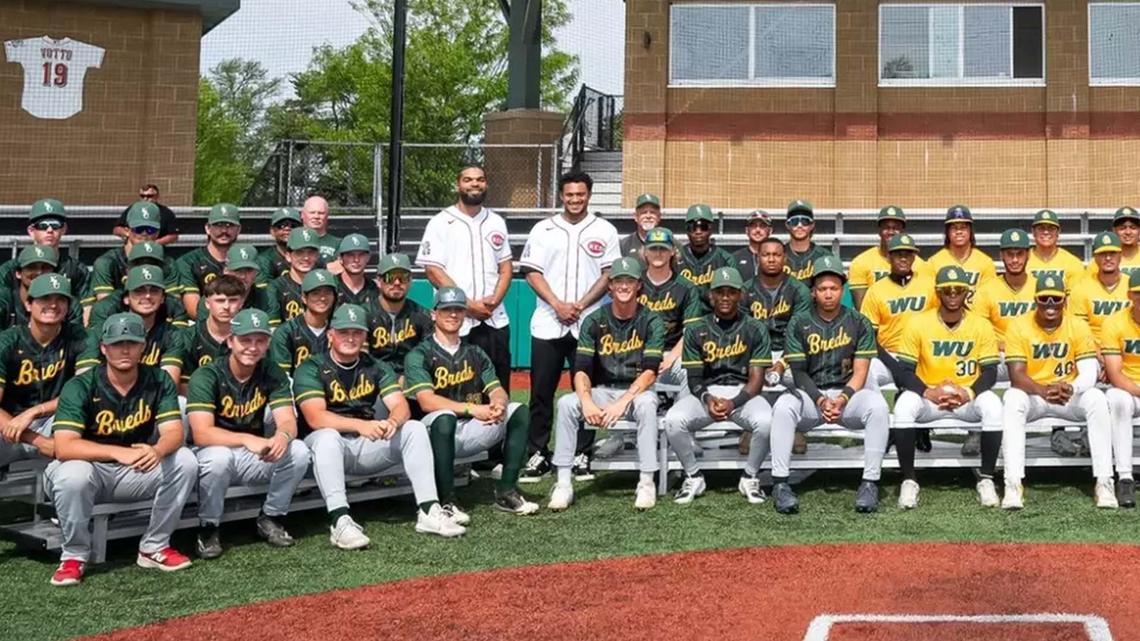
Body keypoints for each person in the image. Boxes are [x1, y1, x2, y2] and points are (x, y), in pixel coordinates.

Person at [46, 312, 196, 586]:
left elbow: (175, 432)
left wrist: (158, 450)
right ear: (103, 348)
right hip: (88, 468)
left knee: (185, 460)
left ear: (143, 346)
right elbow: (64, 447)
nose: (124, 349)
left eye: (131, 342)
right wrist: (117, 453)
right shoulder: (80, 385)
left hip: (134, 469)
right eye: (117, 343)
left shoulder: (159, 380)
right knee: (74, 474)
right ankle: (74, 556)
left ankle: (154, 546)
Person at [295, 304, 463, 548]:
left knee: (413, 428)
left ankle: (429, 509)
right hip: (321, 452)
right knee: (328, 437)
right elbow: (315, 418)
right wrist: (361, 426)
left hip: (364, 445)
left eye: (357, 332)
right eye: (343, 332)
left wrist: (393, 421)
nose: (351, 338)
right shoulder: (311, 366)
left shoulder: (375, 365)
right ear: (331, 335)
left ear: (365, 336)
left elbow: (400, 406)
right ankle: (340, 520)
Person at [518, 171, 620, 483]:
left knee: (587, 391)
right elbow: (531, 272)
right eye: (569, 195)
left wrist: (580, 305)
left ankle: (582, 453)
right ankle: (538, 452)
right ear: (561, 195)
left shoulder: (604, 229)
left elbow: (609, 274)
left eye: (580, 194)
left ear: (589, 195)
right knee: (540, 392)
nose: (575, 200)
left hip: (588, 323)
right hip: (549, 322)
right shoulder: (543, 229)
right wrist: (558, 305)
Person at [404, 287, 539, 521]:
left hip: (472, 426)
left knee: (517, 411)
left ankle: (506, 490)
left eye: (458, 309)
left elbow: (496, 387)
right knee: (444, 417)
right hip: (433, 432)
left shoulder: (475, 351)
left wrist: (498, 403)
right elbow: (426, 401)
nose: (453, 315)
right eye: (446, 309)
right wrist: (473, 409)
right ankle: (447, 501)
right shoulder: (419, 354)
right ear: (434, 314)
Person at [770, 254, 889, 514]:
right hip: (812, 396)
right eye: (822, 288)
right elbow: (799, 373)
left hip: (848, 398)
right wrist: (820, 399)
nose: (828, 294)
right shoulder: (799, 322)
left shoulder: (859, 322)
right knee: (782, 407)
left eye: (834, 288)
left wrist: (843, 398)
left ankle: (870, 482)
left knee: (878, 407)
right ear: (813, 292)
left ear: (842, 290)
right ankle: (780, 483)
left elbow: (861, 371)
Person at [188, 309, 310, 558]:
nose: (252, 347)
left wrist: (282, 436)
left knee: (297, 450)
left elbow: (287, 420)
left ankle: (271, 516)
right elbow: (201, 434)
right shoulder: (208, 374)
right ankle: (208, 527)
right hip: (209, 453)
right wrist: (246, 439)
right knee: (219, 457)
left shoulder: (271, 371)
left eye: (260, 340)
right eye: (245, 340)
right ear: (231, 341)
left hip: (251, 454)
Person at [550, 258, 664, 511]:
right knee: (567, 403)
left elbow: (650, 371)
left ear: (638, 286)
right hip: (603, 390)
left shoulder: (651, 320)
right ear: (610, 286)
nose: (624, 286)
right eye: (618, 281)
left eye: (629, 281)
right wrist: (588, 401)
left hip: (637, 391)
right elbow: (581, 369)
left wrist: (623, 402)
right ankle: (563, 483)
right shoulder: (594, 320)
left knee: (646, 405)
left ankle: (646, 482)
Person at [892, 266, 1003, 509]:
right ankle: (909, 480)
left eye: (958, 290)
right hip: (930, 394)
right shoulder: (918, 322)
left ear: (967, 293)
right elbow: (904, 371)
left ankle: (986, 478)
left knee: (994, 405)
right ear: (938, 292)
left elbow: (991, 371)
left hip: (966, 395)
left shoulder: (981, 324)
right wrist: (928, 392)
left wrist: (968, 392)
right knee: (903, 406)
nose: (953, 294)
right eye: (947, 290)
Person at [1001, 274, 1115, 510]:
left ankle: (1104, 481)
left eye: (1055, 299)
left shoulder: (1078, 325)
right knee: (1012, 398)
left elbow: (1088, 372)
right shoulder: (1019, 325)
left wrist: (1071, 387)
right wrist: (1042, 390)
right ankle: (1013, 483)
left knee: (1096, 398)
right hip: (1035, 394)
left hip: (1067, 394)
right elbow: (1016, 375)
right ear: (1036, 300)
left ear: (1064, 300)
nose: (1050, 304)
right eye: (1044, 299)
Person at [663, 267, 773, 506]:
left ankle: (750, 476)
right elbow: (693, 378)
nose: (725, 297)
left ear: (740, 295)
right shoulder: (695, 328)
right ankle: (693, 475)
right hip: (707, 394)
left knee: (766, 421)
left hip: (743, 394)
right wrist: (707, 399)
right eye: (720, 292)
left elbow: (756, 381)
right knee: (673, 420)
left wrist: (734, 403)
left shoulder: (755, 327)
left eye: (731, 292)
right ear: (710, 295)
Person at [417, 166, 514, 395]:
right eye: (468, 180)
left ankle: (498, 432)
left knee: (498, 389)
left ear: (486, 184)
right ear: (458, 184)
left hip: (494, 319)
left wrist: (493, 302)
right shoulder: (440, 221)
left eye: (480, 180)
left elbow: (506, 267)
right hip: (456, 320)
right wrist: (468, 306)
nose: (474, 184)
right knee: (456, 388)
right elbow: (432, 270)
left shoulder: (497, 221)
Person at [0, 274, 87, 471]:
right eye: (45, 298)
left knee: (87, 423)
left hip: (54, 422)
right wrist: (36, 440)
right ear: (29, 304)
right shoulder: (6, 342)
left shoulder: (80, 336)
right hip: (8, 426)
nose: (53, 305)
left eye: (60, 299)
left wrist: (34, 412)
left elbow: (83, 392)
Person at [860, 233, 936, 390]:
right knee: (865, 373)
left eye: (908, 254)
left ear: (914, 258)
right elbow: (869, 338)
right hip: (890, 355)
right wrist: (895, 367)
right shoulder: (876, 290)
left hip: (924, 355)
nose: (903, 259)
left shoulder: (930, 286)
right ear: (889, 257)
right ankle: (879, 412)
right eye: (898, 254)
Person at [77, 267, 182, 374]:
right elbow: (86, 381)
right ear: (126, 298)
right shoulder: (102, 331)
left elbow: (168, 382)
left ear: (162, 298)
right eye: (139, 291)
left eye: (154, 291)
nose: (147, 295)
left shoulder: (172, 334)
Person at [0, 199, 91, 313]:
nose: (49, 230)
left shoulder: (77, 270)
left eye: (55, 225)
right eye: (43, 225)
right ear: (31, 231)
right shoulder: (9, 269)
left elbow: (86, 309)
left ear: (64, 229)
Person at [164, 275, 245, 395]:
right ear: (207, 303)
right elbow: (182, 384)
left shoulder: (249, 336)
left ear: (241, 303)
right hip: (195, 400)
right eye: (220, 300)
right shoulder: (188, 336)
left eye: (233, 300)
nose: (226, 307)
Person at [1102, 270, 1140, 508]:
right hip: (1131, 388)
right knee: (1116, 399)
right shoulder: (1114, 322)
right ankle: (1125, 476)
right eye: (1138, 294)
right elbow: (1115, 374)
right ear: (1129, 295)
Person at [87, 242, 186, 331]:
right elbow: (96, 346)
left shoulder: (175, 307)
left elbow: (180, 345)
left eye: (154, 265)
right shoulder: (105, 307)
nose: (146, 268)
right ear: (127, 269)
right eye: (139, 263)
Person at [91, 201, 177, 302]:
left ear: (157, 233)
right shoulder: (107, 263)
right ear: (127, 231)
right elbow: (105, 304)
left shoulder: (168, 263)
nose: (144, 233)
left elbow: (173, 304)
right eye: (139, 229)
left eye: (150, 230)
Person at [848, 206, 926, 309]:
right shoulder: (861, 262)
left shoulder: (920, 265)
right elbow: (862, 308)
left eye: (896, 228)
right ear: (879, 230)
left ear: (903, 230)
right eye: (886, 227)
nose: (891, 232)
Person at [369, 253, 432, 375]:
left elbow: (427, 356)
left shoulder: (421, 314)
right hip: (374, 380)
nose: (397, 283)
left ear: (410, 281)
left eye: (403, 277)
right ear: (378, 281)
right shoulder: (365, 313)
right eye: (390, 277)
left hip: (411, 379)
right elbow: (361, 359)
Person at [178, 203, 241, 320]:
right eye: (218, 225)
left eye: (230, 225)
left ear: (238, 230)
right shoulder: (189, 261)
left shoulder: (247, 261)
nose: (224, 230)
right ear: (207, 228)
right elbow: (194, 310)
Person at [0, 245, 84, 330]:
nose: (39, 272)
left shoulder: (70, 305)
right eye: (32, 267)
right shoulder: (4, 299)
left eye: (45, 267)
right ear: (18, 273)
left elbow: (76, 339)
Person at [269, 269, 335, 376]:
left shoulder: (339, 330)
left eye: (327, 292)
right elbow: (281, 379)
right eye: (315, 293)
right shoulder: (285, 332)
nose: (322, 298)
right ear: (304, 298)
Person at [1071, 231, 1130, 346]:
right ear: (1095, 257)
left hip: (1127, 347)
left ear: (1120, 255)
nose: (1108, 258)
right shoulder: (1081, 288)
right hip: (1092, 349)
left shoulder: (1131, 286)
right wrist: (1096, 351)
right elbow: (1078, 329)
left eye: (1112, 253)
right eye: (1102, 254)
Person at [925, 205, 997, 294]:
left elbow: (989, 297)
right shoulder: (933, 263)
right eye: (954, 228)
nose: (959, 232)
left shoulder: (986, 263)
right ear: (947, 232)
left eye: (963, 227)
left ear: (971, 230)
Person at [676, 203, 733, 308]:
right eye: (693, 227)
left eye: (703, 227)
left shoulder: (725, 258)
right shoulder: (676, 258)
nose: (698, 232)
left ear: (711, 229)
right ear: (687, 230)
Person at [269, 228, 322, 324]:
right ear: (288, 256)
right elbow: (274, 329)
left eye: (311, 252)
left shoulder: (327, 286)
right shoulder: (275, 287)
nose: (306, 258)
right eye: (299, 252)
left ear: (317, 255)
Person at [1026, 209, 1086, 294]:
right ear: (1033, 232)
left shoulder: (1073, 263)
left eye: (1051, 228)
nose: (1046, 232)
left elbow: (1074, 299)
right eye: (1041, 228)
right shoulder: (1023, 261)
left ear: (1058, 232)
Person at [782, 200, 833, 284]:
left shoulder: (824, 256)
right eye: (794, 221)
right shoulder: (778, 255)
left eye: (805, 221)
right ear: (787, 225)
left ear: (812, 225)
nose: (799, 225)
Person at [113, 184, 179, 246]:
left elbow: (174, 236)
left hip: (156, 249)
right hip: (133, 248)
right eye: (142, 196)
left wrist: (154, 243)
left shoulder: (166, 212)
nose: (145, 199)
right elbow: (117, 229)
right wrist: (129, 235)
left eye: (149, 196)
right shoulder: (133, 209)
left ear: (157, 196)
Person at [1090, 207, 1140, 279]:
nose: (1128, 232)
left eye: (1133, 228)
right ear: (1114, 230)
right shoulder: (1101, 260)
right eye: (1122, 228)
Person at [256, 207, 302, 282]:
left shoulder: (309, 257)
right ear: (272, 231)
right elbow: (265, 291)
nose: (287, 229)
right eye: (281, 225)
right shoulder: (263, 260)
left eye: (293, 225)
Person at [335, 234, 380, 309]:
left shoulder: (374, 290)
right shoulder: (332, 286)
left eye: (361, 255)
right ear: (340, 258)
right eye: (350, 255)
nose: (356, 260)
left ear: (368, 257)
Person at [619, 192, 665, 262]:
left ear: (659, 217)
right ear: (636, 217)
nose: (648, 216)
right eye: (643, 212)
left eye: (653, 212)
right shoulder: (624, 245)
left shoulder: (669, 242)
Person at [732, 210, 774, 281]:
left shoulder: (777, 258)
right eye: (753, 226)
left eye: (762, 226)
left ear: (770, 231)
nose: (758, 230)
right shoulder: (735, 258)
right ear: (746, 230)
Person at [301, 196, 341, 263]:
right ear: (302, 215)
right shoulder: (293, 240)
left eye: (321, 213)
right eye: (312, 212)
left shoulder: (338, 244)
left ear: (327, 216)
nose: (316, 216)